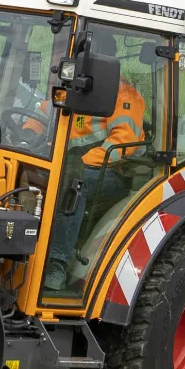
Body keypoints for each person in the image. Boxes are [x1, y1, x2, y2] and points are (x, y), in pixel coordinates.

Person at [43, 30, 147, 291]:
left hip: (113, 173)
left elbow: (123, 142)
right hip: (68, 163)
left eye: (85, 59)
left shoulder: (125, 97)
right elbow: (44, 116)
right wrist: (25, 135)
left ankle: (56, 263)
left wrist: (76, 161)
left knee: (73, 182)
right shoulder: (76, 90)